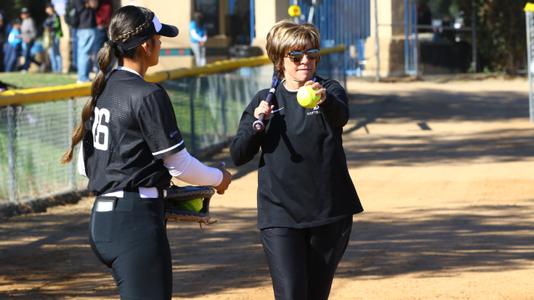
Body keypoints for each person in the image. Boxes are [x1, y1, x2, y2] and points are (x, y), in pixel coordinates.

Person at [60, 6, 232, 299]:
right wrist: (219, 178)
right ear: (145, 45)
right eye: (158, 38)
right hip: (134, 226)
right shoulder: (147, 94)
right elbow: (178, 164)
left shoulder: (104, 88)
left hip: (103, 221)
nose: (161, 43)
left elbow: (86, 168)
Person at [230, 20, 364, 300]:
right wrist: (258, 123)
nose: (306, 61)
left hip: (329, 212)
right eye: (296, 55)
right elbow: (239, 154)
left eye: (312, 54)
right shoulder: (265, 101)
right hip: (280, 215)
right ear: (280, 59)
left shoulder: (330, 90)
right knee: (291, 295)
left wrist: (324, 100)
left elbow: (341, 117)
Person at [73, 0, 97, 82]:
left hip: (80, 27)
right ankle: (82, 78)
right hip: (87, 26)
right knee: (85, 54)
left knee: (82, 53)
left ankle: (82, 76)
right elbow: (94, 4)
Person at [44, 3, 64, 73]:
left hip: (55, 36)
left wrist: (49, 27)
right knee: (52, 53)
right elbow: (44, 25)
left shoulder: (56, 16)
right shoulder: (48, 17)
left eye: (48, 8)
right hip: (50, 37)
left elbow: (57, 26)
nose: (47, 10)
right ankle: (54, 69)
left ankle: (59, 69)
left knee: (56, 52)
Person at [19, 7, 37, 71]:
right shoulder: (24, 21)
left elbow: (34, 32)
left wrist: (30, 38)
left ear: (28, 14)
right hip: (24, 40)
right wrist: (18, 36)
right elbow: (24, 33)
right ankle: (39, 64)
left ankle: (25, 68)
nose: (23, 15)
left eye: (25, 13)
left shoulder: (30, 21)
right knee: (27, 55)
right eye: (22, 13)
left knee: (27, 54)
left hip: (29, 41)